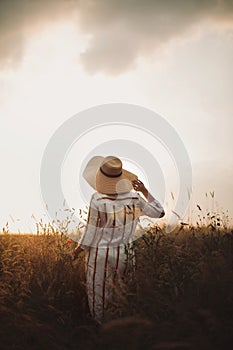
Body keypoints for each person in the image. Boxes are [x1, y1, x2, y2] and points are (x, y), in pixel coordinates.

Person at [71, 155, 165, 324]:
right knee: (123, 294)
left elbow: (91, 233)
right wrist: (144, 191)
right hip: (126, 255)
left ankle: (102, 333)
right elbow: (160, 212)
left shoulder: (97, 199)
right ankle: (120, 332)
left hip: (99, 256)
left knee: (98, 296)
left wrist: (77, 251)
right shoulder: (135, 198)